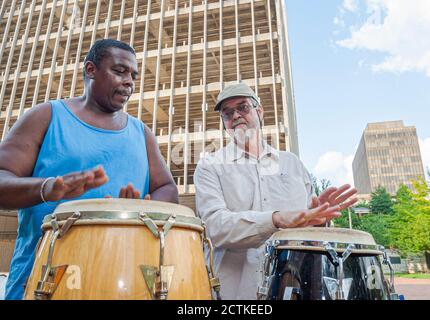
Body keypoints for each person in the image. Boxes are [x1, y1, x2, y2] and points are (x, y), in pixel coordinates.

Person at [0, 39, 178, 299]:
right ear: (91, 69)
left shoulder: (142, 133)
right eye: (119, 71)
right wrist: (46, 188)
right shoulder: (45, 116)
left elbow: (167, 188)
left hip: (125, 281)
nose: (129, 81)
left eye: (133, 75)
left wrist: (138, 209)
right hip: (43, 280)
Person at [194, 83, 358, 300]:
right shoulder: (210, 165)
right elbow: (215, 226)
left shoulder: (292, 164)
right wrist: (276, 219)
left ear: (259, 112)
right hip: (233, 293)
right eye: (227, 113)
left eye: (243, 107)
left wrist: (318, 219)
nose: (236, 116)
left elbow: (308, 230)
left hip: (294, 287)